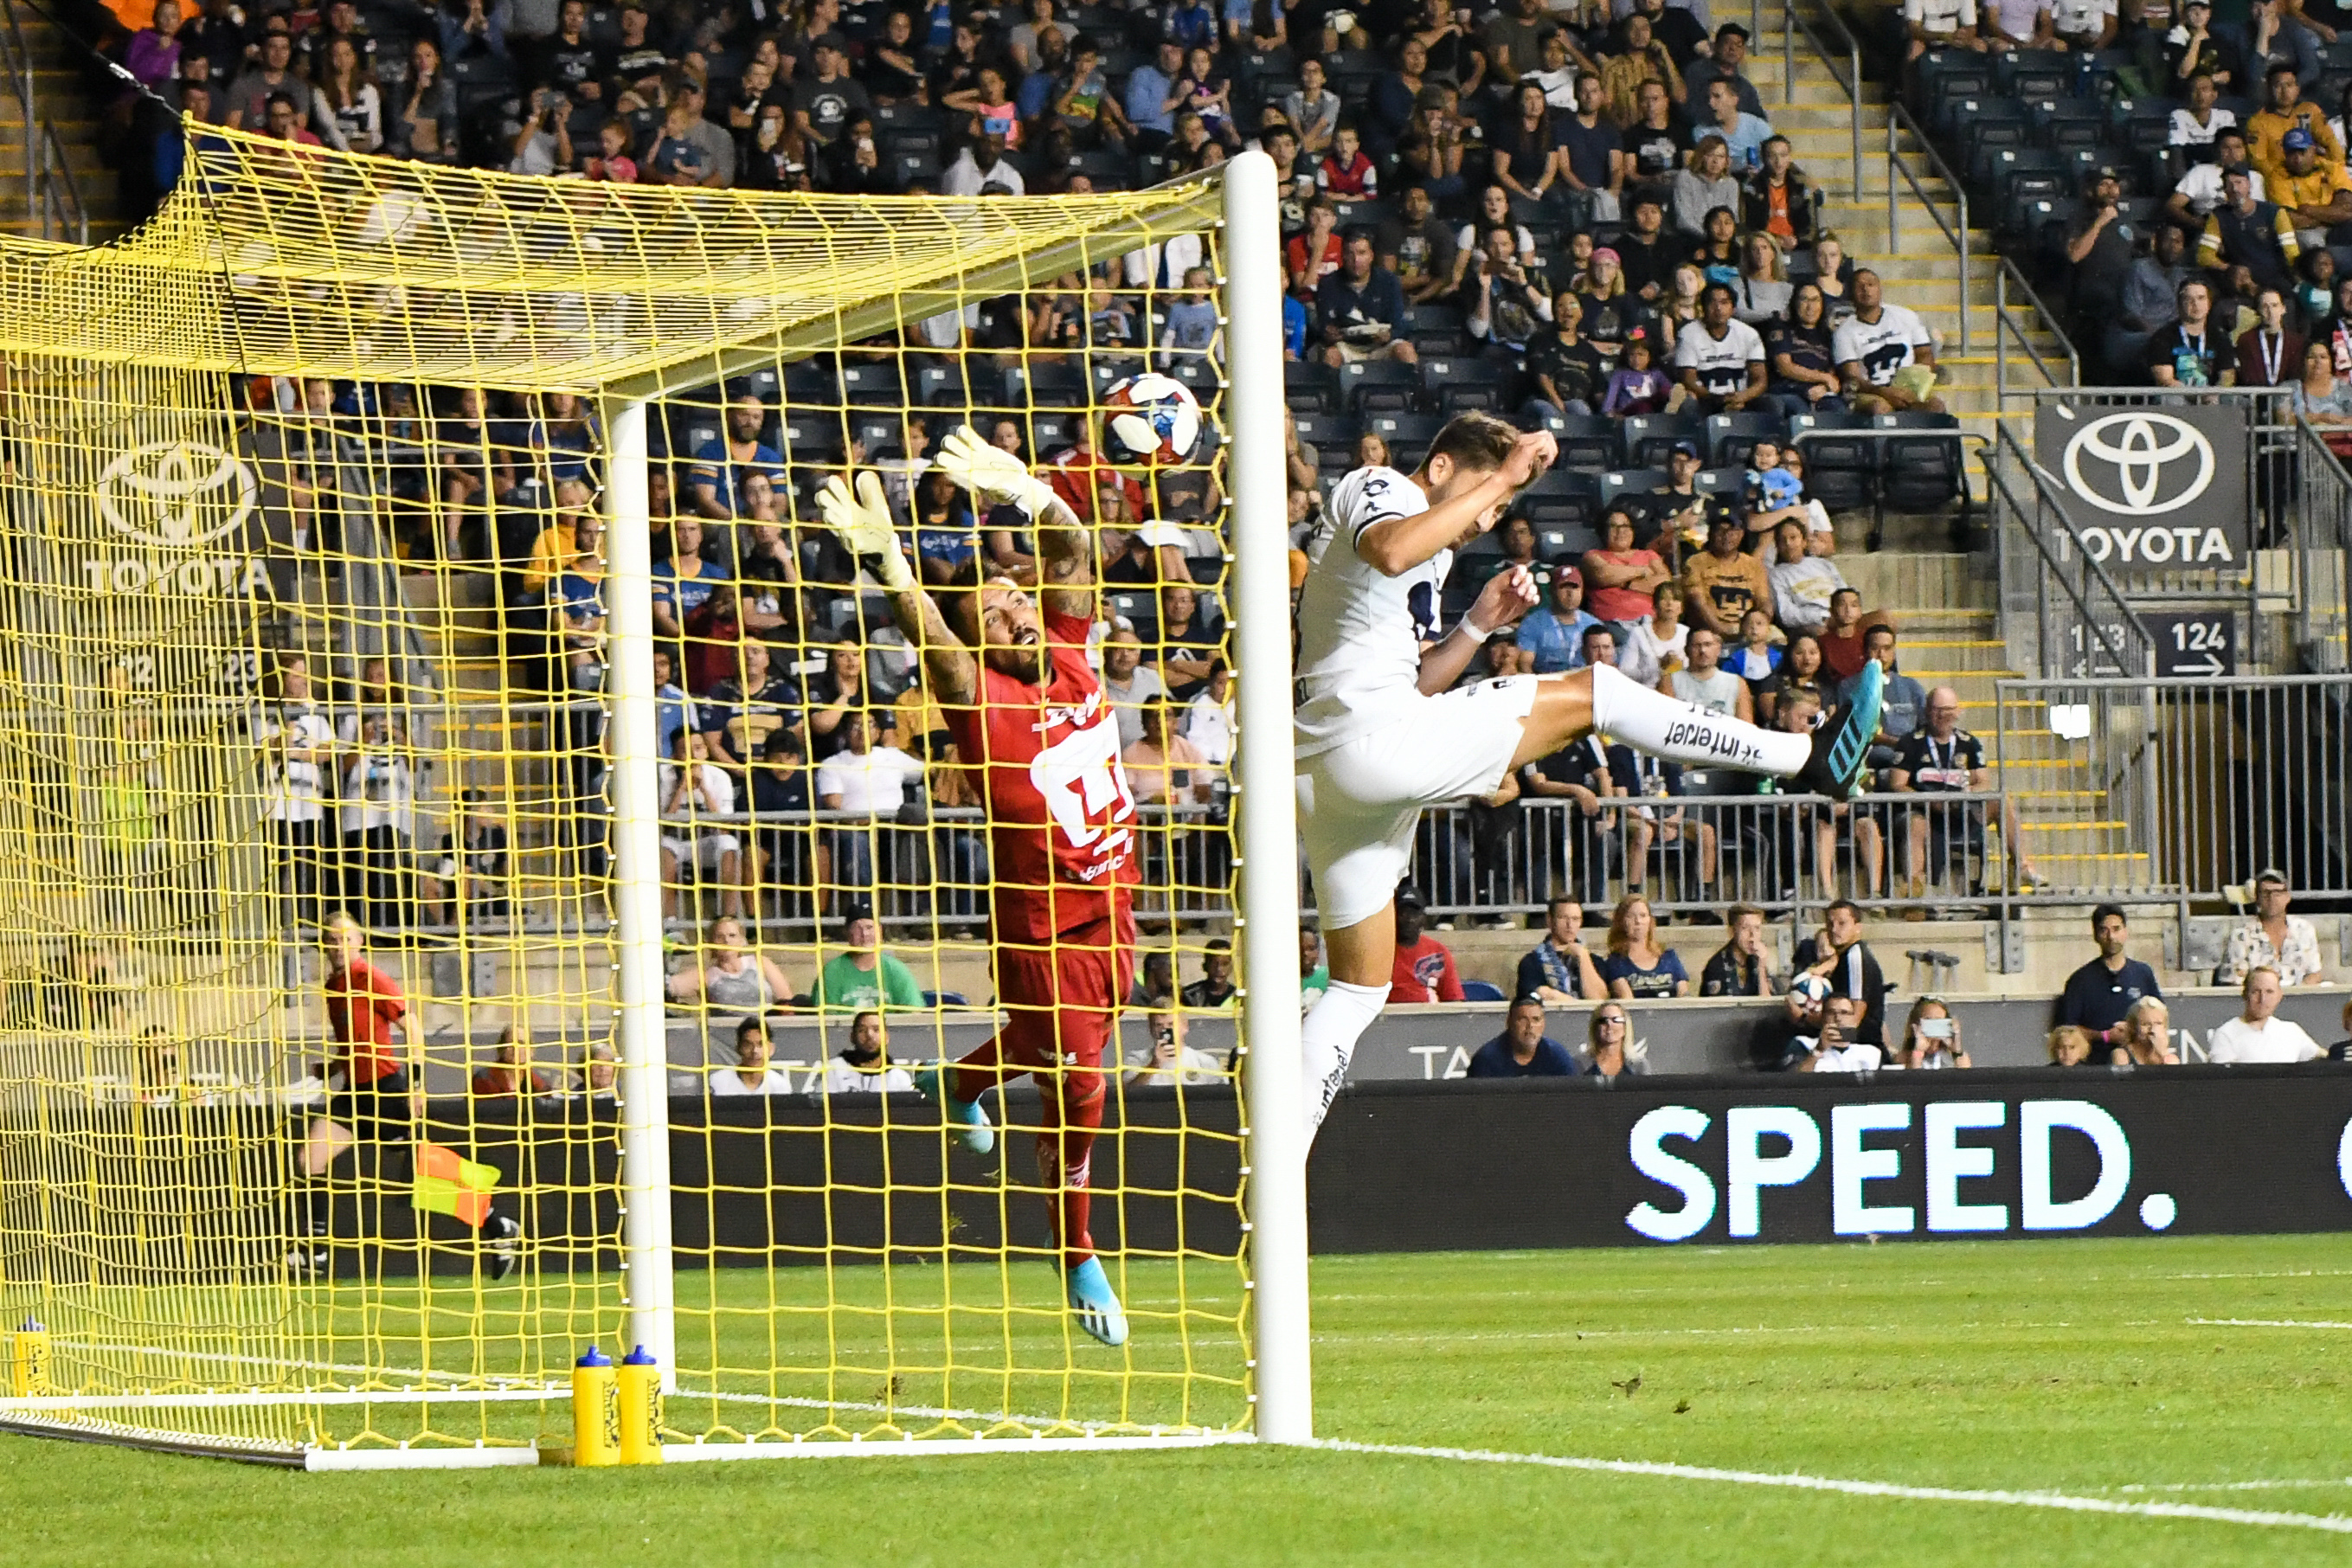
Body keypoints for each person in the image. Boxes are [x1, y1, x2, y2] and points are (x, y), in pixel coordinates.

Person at [1291, 411, 1884, 1140]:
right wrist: (1505, 473)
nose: (1488, 519)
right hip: (1367, 742)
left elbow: (1412, 681)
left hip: (1330, 772)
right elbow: (1386, 549)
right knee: (1597, 692)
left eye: (1501, 510)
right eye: (1488, 497)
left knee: (1355, 989)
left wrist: (1476, 628)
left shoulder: (1432, 551)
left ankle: (1276, 1182)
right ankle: (1806, 757)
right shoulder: (1385, 487)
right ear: (1443, 467)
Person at [813, 426, 1144, 1346]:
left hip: (1114, 914)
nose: (1013, 615)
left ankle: (958, 1084)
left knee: (1048, 1047)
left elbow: (1074, 558)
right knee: (1078, 1091)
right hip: (1043, 939)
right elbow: (937, 640)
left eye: (1012, 599)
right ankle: (1076, 1254)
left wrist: (1039, 500)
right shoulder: (985, 708)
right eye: (993, 617)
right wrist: (890, 567)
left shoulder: (1073, 649)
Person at [293, 911, 518, 1277]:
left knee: (422, 1171)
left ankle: (497, 1225)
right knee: (309, 1158)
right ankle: (315, 1253)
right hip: (355, 1093)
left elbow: (411, 1027)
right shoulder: (334, 986)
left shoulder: (372, 977)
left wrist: (416, 1084)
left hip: (386, 1088)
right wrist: (334, 1067)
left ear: (359, 942)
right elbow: (358, 1040)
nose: (337, 946)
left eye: (344, 939)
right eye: (331, 940)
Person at [2057, 903, 2164, 1049]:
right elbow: (2068, 1030)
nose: (2111, 937)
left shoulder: (2143, 973)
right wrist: (2105, 1035)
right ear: (2096, 935)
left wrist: (2133, 1030)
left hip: (2138, 1063)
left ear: (2125, 932)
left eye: (2116, 929)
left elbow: (2160, 1017)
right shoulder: (2080, 980)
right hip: (2096, 1065)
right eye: (2104, 930)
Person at [1794, 899, 1885, 1044]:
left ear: (1858, 927)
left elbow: (1853, 1022)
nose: (1834, 929)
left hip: (1859, 1051)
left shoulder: (1856, 956)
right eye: (1830, 924)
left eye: (1842, 923)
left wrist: (1803, 1018)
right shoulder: (1842, 956)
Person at [808, 902, 925, 1012]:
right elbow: (826, 1020)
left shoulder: (896, 970)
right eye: (857, 929)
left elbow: (913, 1014)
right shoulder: (831, 972)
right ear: (847, 933)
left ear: (880, 931)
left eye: (869, 927)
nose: (865, 934)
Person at [2220, 868, 2324, 984]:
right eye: (2265, 893)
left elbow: (2314, 973)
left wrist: (2299, 994)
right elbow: (2235, 982)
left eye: (2278, 892)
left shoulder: (2304, 929)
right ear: (2257, 898)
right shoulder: (2242, 935)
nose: (2272, 898)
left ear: (2287, 897)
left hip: (2298, 1000)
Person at [2209, 966, 2326, 1061]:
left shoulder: (2291, 1031)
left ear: (2279, 996)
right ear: (2245, 994)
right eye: (2256, 992)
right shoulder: (2226, 1034)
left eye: (2269, 992)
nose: (2263, 999)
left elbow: (2321, 1057)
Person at [1517, 895, 1606, 1001]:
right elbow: (1536, 993)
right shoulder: (1532, 962)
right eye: (1563, 918)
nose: (1570, 925)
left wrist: (1583, 957)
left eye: (1575, 919)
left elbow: (1598, 1000)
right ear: (1550, 920)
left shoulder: (1595, 961)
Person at [1600, 894, 1689, 998]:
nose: (1638, 921)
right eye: (1630, 916)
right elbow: (1626, 998)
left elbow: (1683, 993)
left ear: (1650, 920)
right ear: (1621, 922)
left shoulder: (1669, 957)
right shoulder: (1616, 962)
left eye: (1643, 916)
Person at [1466, 994, 1577, 1076]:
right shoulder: (1486, 1060)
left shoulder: (1557, 1056)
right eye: (1523, 1019)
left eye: (1536, 1019)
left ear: (1544, 1023)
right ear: (1509, 1022)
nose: (1530, 1026)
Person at [1128, 994, 1224, 1085]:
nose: (1165, 1030)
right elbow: (1127, 1094)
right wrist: (1154, 1065)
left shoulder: (1205, 1063)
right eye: (1158, 1025)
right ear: (1151, 1029)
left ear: (1185, 1027)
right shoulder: (1137, 1061)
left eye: (1171, 1024)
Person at [1389, 887, 1466, 1002]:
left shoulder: (1438, 951)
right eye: (1403, 913)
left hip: (1430, 1017)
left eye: (1415, 914)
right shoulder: (1379, 951)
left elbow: (1454, 998)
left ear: (1424, 918)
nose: (1410, 919)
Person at [818, 1011, 919, 1095]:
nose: (870, 1035)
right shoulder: (833, 1069)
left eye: (876, 1030)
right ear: (852, 1037)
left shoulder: (899, 1077)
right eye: (862, 1030)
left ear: (887, 1037)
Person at [1700, 903, 1774, 995]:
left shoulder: (1756, 960)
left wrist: (1762, 967)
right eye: (1745, 928)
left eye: (1757, 928)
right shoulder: (1717, 966)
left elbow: (1767, 1005)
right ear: (1732, 931)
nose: (1752, 936)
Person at [1798, 992, 1880, 1071]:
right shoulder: (1804, 1044)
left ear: (1853, 1018)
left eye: (1844, 1013)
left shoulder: (1872, 1053)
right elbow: (1793, 1081)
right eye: (1831, 1012)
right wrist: (1819, 1049)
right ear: (1823, 1017)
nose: (1838, 1018)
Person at [712, 1016, 794, 1095]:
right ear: (738, 1047)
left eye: (761, 1044)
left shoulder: (781, 1086)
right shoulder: (718, 1082)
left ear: (771, 1048)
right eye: (748, 1044)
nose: (755, 1051)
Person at [1889, 995, 1970, 1069]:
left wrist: (1956, 1052)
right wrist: (1918, 1052)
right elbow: (1913, 1080)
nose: (1934, 1025)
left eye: (1939, 1020)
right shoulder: (1903, 1057)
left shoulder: (1956, 1056)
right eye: (1928, 1020)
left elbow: (1965, 1079)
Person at [471, 1027, 556, 1097]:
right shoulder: (484, 1079)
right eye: (511, 1043)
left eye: (521, 1043)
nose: (516, 1049)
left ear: (531, 1051)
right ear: (501, 1049)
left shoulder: (539, 1084)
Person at [1180, 937, 1239, 1009]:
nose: (1219, 969)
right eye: (1214, 964)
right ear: (1204, 966)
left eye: (1225, 964)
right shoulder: (1189, 995)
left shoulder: (1237, 996)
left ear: (1231, 968)